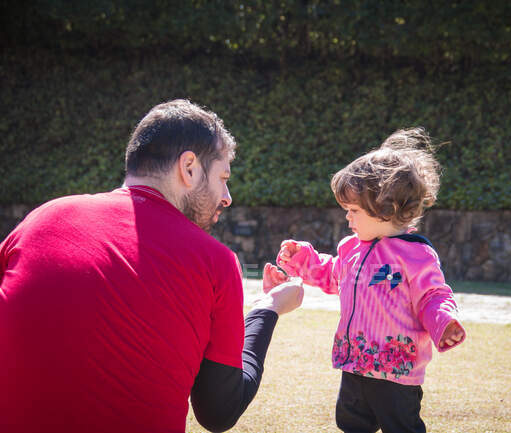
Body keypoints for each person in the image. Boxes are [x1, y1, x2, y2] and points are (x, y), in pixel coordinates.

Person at [0, 99, 304, 433]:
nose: (227, 196)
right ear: (189, 167)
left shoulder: (42, 219)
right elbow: (219, 412)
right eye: (223, 177)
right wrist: (268, 307)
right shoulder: (215, 261)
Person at [276, 127, 466, 433]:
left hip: (396, 372)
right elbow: (333, 273)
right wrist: (302, 259)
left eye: (353, 210)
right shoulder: (351, 249)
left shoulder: (415, 255)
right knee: (349, 422)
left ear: (386, 209)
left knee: (401, 427)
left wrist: (444, 322)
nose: (347, 218)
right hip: (355, 364)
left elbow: (433, 295)